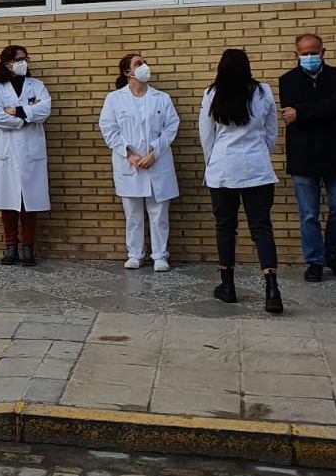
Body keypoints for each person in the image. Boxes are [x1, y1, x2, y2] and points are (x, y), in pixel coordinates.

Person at [199, 48, 283, 314]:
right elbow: (272, 133)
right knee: (261, 227)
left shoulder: (213, 93)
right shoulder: (263, 92)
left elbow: (206, 135)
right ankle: (271, 287)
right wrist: (259, 153)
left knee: (225, 226)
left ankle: (228, 285)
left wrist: (212, 162)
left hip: (223, 168)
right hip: (257, 168)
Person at [278, 34, 336, 283]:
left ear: (323, 52)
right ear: (296, 54)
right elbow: (329, 110)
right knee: (308, 213)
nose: (309, 57)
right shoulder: (287, 81)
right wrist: (328, 114)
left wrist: (301, 112)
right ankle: (315, 260)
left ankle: (334, 254)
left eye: (313, 52)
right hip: (303, 155)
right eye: (303, 52)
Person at [98, 53, 179, 272]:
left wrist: (154, 153)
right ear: (128, 72)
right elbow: (109, 129)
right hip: (129, 164)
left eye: (144, 62)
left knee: (159, 212)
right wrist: (129, 154)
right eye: (138, 64)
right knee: (133, 214)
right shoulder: (114, 99)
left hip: (157, 162)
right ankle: (135, 254)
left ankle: (160, 255)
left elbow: (171, 127)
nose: (144, 66)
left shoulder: (161, 98)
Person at [0, 45, 50, 267]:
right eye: (19, 59)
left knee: (30, 202)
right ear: (7, 63)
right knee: (9, 201)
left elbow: (46, 110)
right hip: (7, 151)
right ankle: (11, 247)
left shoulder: (37, 85)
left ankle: (28, 249)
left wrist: (18, 111)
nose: (24, 62)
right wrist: (27, 118)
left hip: (31, 151)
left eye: (25, 58)